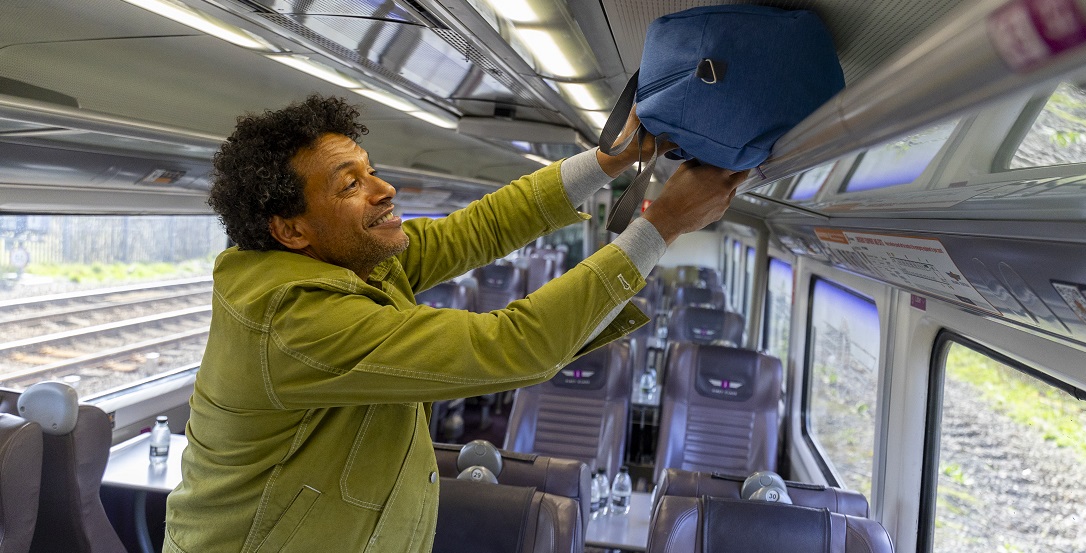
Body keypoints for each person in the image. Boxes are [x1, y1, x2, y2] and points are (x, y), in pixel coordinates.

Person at [163, 94, 746, 552]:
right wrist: (659, 226)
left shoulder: (356, 261)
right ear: (292, 230)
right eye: (350, 185)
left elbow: (481, 229)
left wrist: (607, 161)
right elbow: (513, 347)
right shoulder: (294, 319)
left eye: (371, 171)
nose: (384, 190)